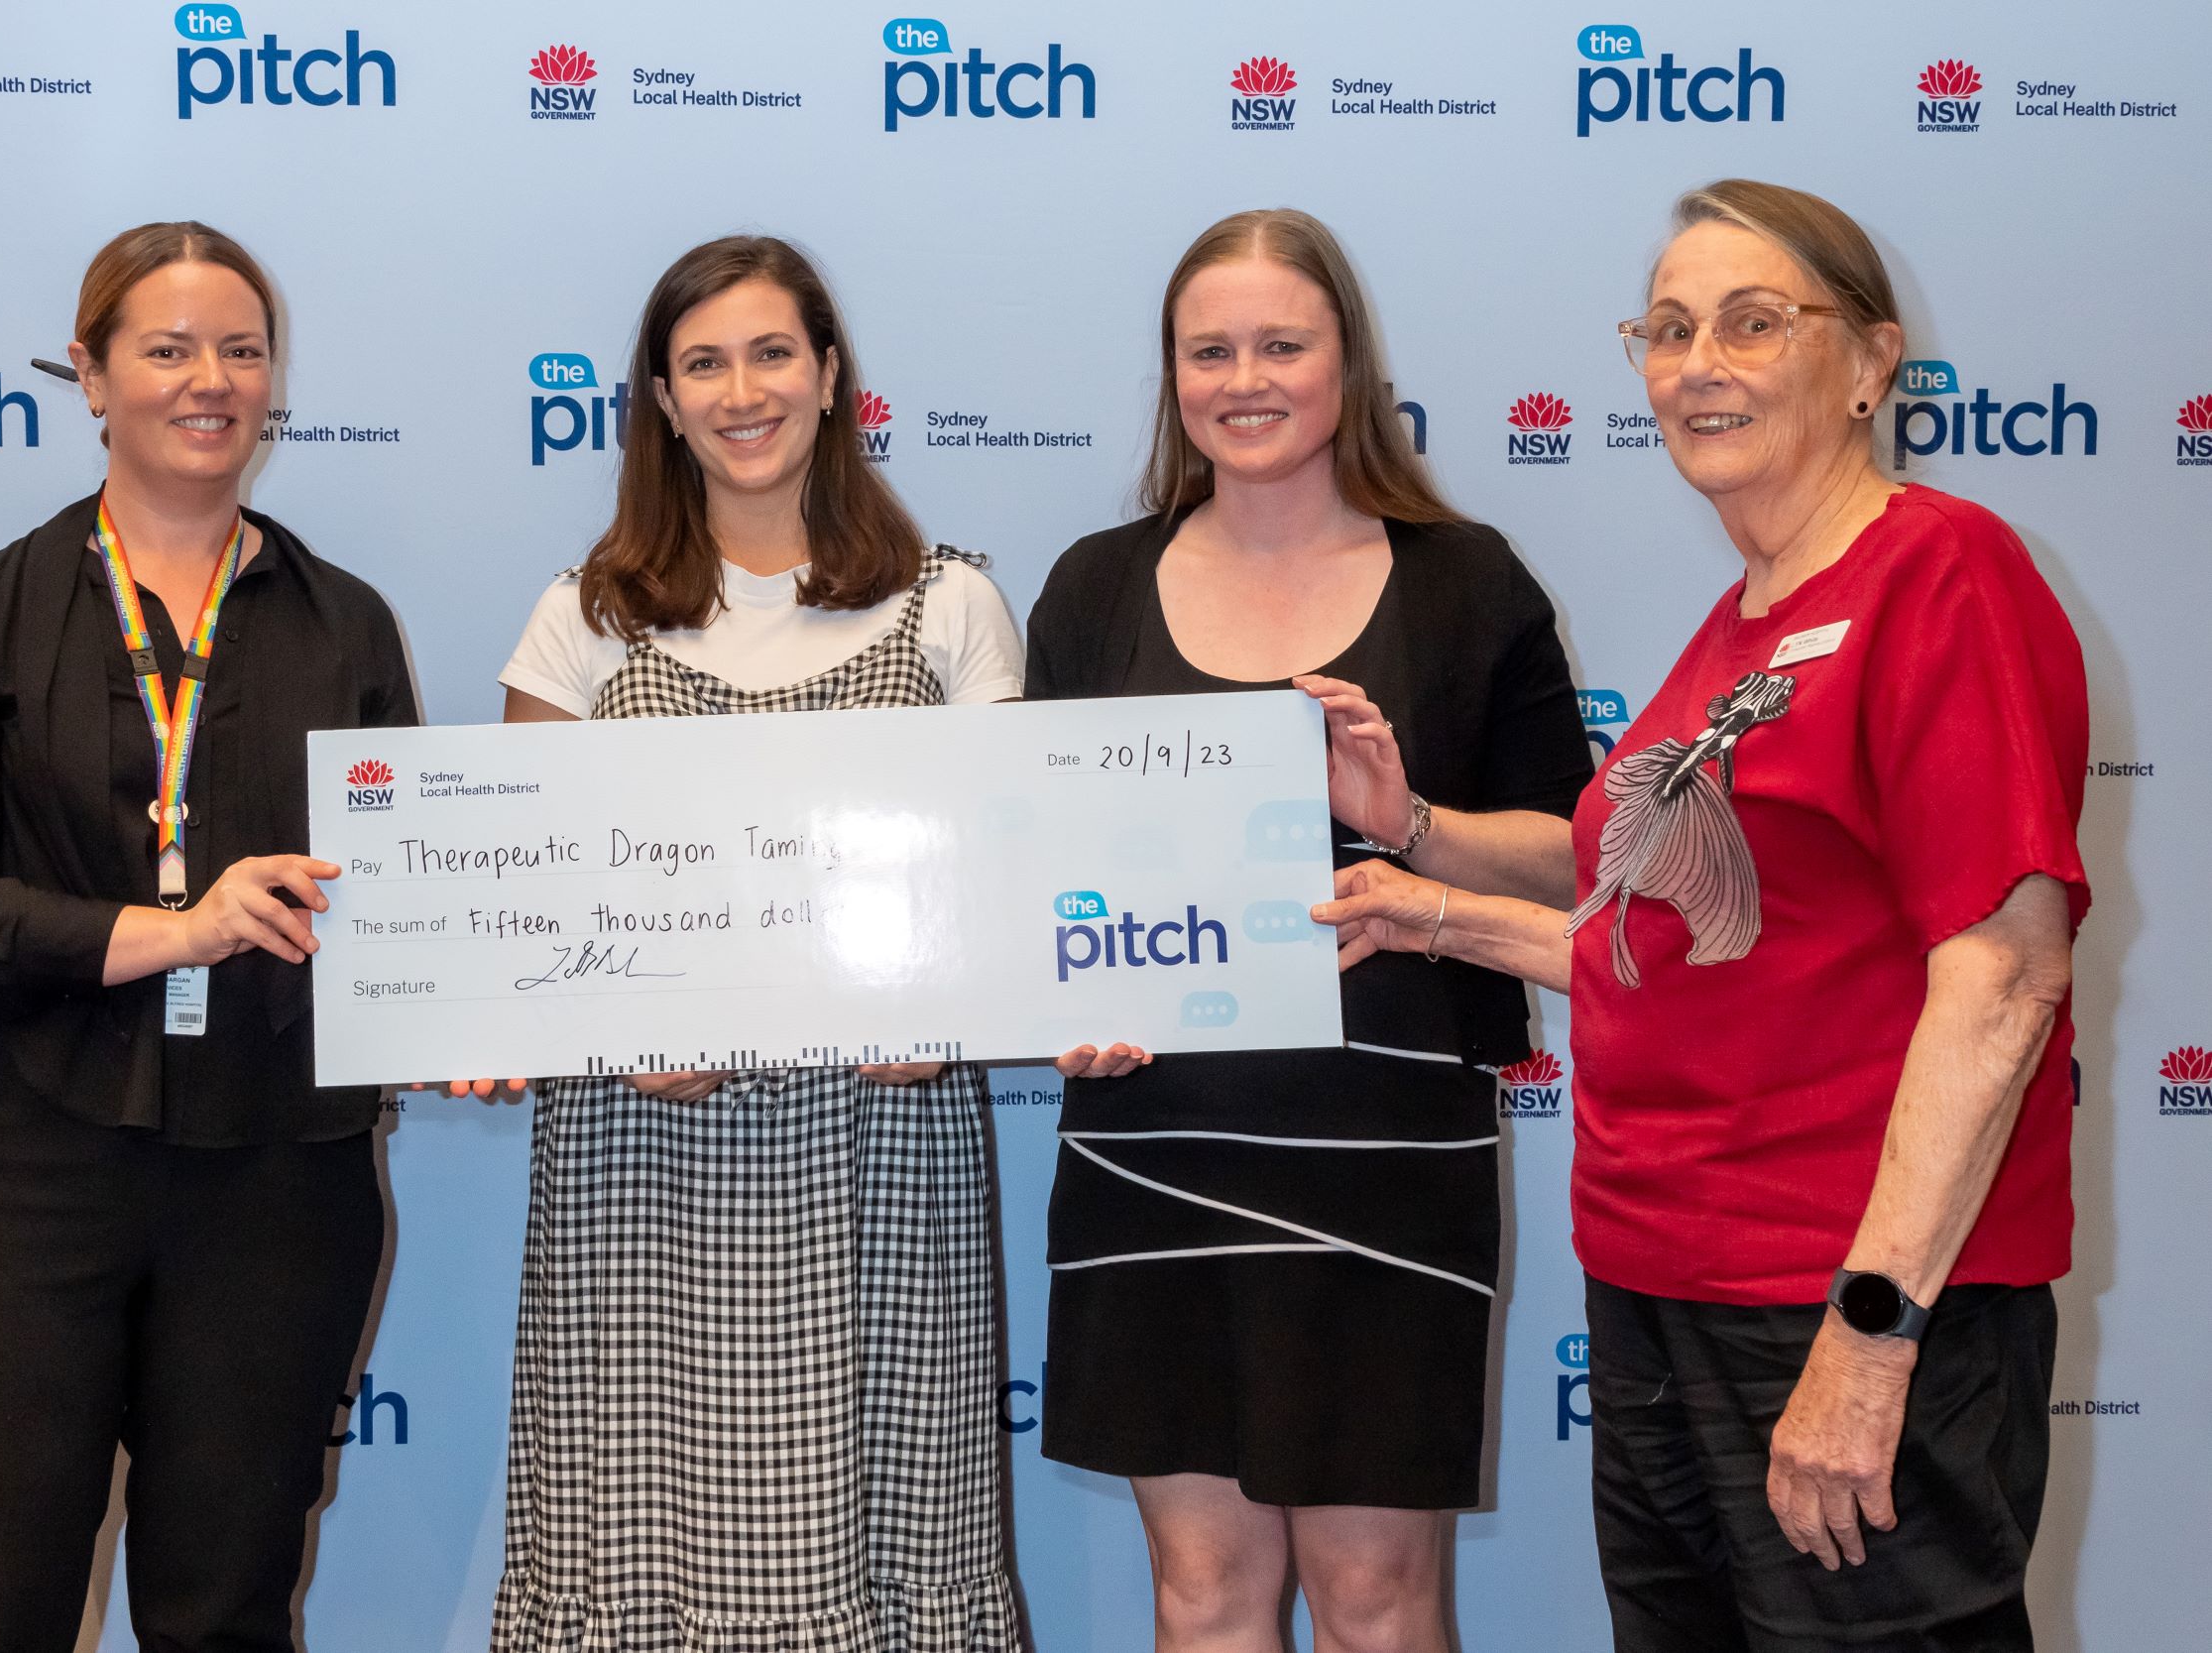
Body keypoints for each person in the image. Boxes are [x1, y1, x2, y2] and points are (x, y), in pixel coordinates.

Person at [1319, 179, 2087, 1652]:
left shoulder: (1940, 573)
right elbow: (1662, 957)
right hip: (1659, 1285)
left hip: (1832, 1298)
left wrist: (1870, 1343)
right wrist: (1430, 902)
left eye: (1750, 322)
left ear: (1870, 363)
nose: (1696, 363)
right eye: (1666, 330)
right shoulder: (1738, 630)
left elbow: (2000, 981)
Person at [1023, 208, 1590, 1653]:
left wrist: (1409, 827)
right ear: (1173, 376)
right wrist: (1047, 995)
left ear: (1350, 359)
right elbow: (1031, 869)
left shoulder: (1469, 584)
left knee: (1379, 1602)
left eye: (1284, 342)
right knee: (1203, 1599)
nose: (1245, 376)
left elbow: (1579, 867)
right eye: (1208, 349)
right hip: (1154, 1153)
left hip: (1391, 1162)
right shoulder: (1093, 588)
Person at [0, 221, 418, 1653]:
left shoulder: (345, 624)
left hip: (279, 1182)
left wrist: (460, 1012)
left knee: (226, 1610)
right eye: (167, 349)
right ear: (91, 373)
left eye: (241, 349)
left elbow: (402, 899)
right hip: (23, 1178)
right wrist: (168, 933)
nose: (210, 380)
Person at [484, 235, 1023, 1653]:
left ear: (833, 376)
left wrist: (947, 1014)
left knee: (896, 1526)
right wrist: (605, 1034)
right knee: (635, 1544)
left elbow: (1003, 893)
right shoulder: (582, 621)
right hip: (642, 1176)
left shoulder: (951, 606)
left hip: (883, 1164)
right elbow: (537, 916)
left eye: (773, 352)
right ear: (661, 401)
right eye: (703, 362)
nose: (743, 390)